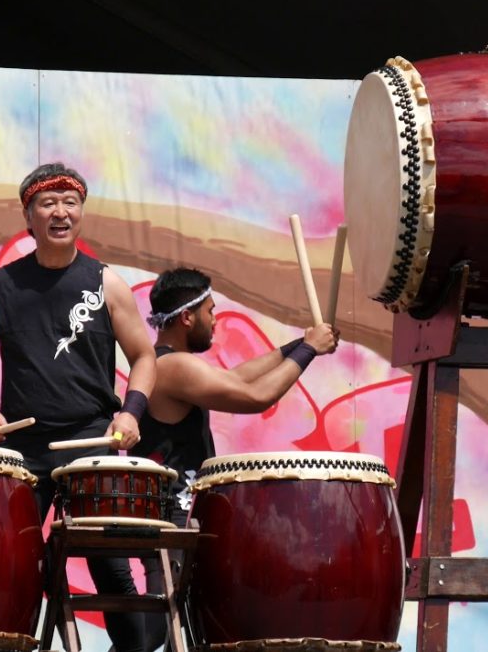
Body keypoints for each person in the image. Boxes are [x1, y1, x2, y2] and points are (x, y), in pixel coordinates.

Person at [0, 162, 155, 652]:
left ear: (81, 214)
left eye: (70, 203)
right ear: (30, 216)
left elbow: (144, 355)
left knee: (109, 566)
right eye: (48, 203)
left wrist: (130, 412)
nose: (61, 212)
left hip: (92, 441)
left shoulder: (106, 283)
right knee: (14, 563)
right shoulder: (0, 286)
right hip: (25, 446)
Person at [130, 267, 339, 652]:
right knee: (156, 631)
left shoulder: (170, 363)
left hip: (174, 516)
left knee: (166, 628)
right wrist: (310, 351)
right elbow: (255, 397)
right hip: (169, 519)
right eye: (210, 311)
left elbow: (238, 378)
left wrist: (300, 344)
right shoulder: (172, 367)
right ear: (186, 317)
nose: (215, 320)